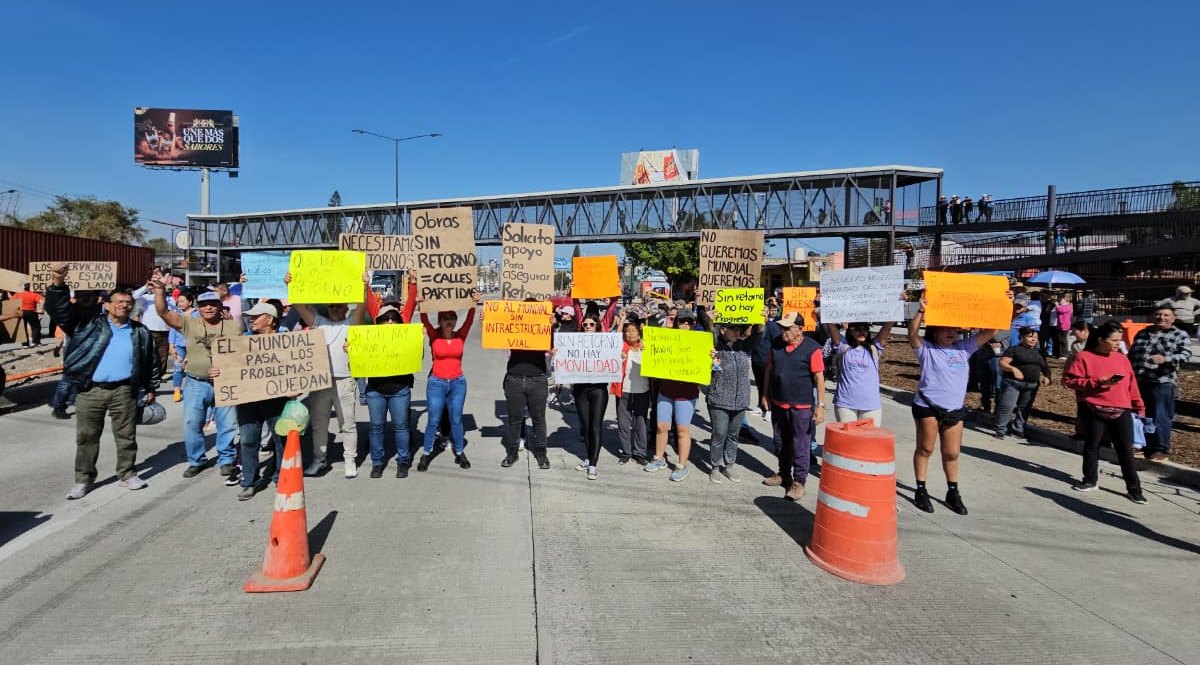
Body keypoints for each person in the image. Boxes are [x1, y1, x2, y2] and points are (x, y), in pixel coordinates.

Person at [63, 288, 160, 500]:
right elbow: (61, 312)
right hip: (91, 390)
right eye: (119, 301)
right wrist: (58, 283)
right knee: (87, 437)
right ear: (106, 304)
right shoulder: (89, 326)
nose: (125, 305)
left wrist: (151, 387)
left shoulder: (140, 331)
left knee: (126, 435)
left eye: (128, 302)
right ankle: (83, 479)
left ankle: (127, 474)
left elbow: (151, 361)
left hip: (125, 390)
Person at [907, 296, 998, 515]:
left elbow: (991, 331)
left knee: (952, 452)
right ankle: (921, 489)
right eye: (945, 329)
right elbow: (912, 334)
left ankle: (953, 491)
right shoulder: (926, 349)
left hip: (954, 409)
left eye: (954, 329)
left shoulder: (964, 348)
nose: (951, 333)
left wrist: (999, 305)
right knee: (926, 448)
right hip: (927, 406)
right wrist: (921, 311)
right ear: (935, 332)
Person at [153, 273, 241, 480]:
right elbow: (163, 312)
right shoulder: (189, 324)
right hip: (195, 382)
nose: (208, 307)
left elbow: (241, 355)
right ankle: (196, 460)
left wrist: (226, 370)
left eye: (212, 304)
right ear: (198, 309)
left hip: (225, 383)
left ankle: (226, 460)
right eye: (204, 305)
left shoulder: (233, 326)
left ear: (220, 306)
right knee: (192, 423)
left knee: (227, 424)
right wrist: (159, 290)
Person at [283, 271, 370, 478]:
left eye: (339, 305)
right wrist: (291, 286)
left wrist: (364, 287)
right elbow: (300, 307)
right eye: (332, 306)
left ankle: (350, 459)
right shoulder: (319, 322)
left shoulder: (351, 324)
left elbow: (362, 307)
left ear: (345, 308)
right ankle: (319, 460)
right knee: (319, 424)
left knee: (347, 423)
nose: (335, 309)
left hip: (345, 381)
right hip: (320, 382)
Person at [208, 302, 290, 500]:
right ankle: (249, 482)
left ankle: (282, 477)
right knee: (248, 441)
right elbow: (228, 366)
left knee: (281, 441)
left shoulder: (287, 341)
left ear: (270, 319)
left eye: (256, 316)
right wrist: (218, 372)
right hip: (248, 401)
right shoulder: (241, 342)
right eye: (250, 316)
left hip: (276, 400)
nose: (251, 319)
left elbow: (298, 368)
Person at [1063, 322, 1147, 503]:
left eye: (1120, 340)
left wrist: (1138, 405)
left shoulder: (1122, 358)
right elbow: (1070, 381)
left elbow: (1131, 384)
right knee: (1092, 445)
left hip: (1121, 409)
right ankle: (1090, 480)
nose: (1118, 343)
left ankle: (1134, 489)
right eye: (1114, 340)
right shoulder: (1084, 357)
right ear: (1101, 340)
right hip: (1093, 407)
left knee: (1125, 449)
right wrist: (1096, 382)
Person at [759, 311, 825, 501]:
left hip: (801, 407)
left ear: (800, 329)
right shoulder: (777, 344)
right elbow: (769, 370)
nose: (783, 331)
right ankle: (783, 474)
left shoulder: (812, 349)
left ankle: (799, 482)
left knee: (800, 445)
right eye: (782, 328)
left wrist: (820, 406)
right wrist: (764, 394)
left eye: (788, 328)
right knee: (780, 442)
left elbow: (819, 378)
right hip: (779, 403)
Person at [418, 291, 482, 471]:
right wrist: (421, 304)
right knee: (433, 420)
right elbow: (424, 319)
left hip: (457, 383)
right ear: (439, 320)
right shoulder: (433, 335)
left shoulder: (460, 335)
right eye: (445, 318)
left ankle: (460, 452)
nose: (449, 321)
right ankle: (426, 453)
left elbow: (470, 320)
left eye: (452, 318)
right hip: (437, 383)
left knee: (456, 419)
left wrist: (473, 303)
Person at [363, 285, 419, 478]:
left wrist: (413, 283)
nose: (389, 321)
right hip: (375, 390)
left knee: (401, 426)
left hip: (400, 389)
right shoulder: (370, 336)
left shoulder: (405, 333)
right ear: (378, 321)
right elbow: (370, 304)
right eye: (385, 318)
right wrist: (352, 350)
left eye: (394, 318)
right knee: (376, 427)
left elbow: (410, 306)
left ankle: (403, 461)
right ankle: (377, 463)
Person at [644, 308, 702, 482]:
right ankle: (659, 458)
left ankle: (681, 465)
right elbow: (654, 350)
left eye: (688, 322)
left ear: (693, 324)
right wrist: (648, 348)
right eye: (682, 321)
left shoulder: (700, 341)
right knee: (662, 426)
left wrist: (711, 357)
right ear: (677, 322)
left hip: (687, 393)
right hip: (666, 390)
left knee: (683, 430)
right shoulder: (667, 339)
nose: (685, 324)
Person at [1129, 307, 1192, 463]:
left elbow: (1186, 355)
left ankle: (1160, 449)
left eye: (1166, 315)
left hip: (1161, 382)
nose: (1161, 317)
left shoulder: (1179, 334)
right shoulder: (1143, 333)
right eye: (1158, 314)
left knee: (1160, 416)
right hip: (1139, 380)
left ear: (1173, 318)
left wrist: (1165, 358)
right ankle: (1141, 445)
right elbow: (1132, 354)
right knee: (1140, 415)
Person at [501, 298, 553, 471]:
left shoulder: (544, 328)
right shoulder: (513, 327)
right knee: (514, 419)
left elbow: (550, 347)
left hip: (537, 379)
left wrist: (550, 325)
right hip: (514, 378)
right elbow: (496, 332)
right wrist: (486, 319)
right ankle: (512, 452)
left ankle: (541, 453)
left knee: (539, 419)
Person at [707, 322, 762, 483]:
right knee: (719, 434)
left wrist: (761, 323)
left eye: (739, 330)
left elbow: (758, 335)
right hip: (719, 399)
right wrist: (710, 321)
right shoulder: (716, 345)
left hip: (740, 399)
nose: (738, 333)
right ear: (723, 330)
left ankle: (729, 465)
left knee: (733, 435)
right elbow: (708, 333)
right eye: (734, 330)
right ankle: (715, 466)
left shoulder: (743, 347)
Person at [825, 320, 895, 424]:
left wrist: (895, 313)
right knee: (848, 439)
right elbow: (831, 327)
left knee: (869, 439)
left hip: (871, 405)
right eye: (857, 329)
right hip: (846, 404)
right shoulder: (843, 347)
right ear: (850, 330)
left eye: (865, 329)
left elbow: (887, 328)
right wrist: (825, 312)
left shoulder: (874, 347)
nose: (862, 332)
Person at [571, 312, 611, 479]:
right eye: (585, 325)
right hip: (580, 389)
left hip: (598, 390)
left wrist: (620, 356)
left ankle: (593, 464)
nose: (587, 327)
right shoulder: (574, 342)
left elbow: (613, 359)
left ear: (597, 326)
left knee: (595, 426)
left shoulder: (606, 342)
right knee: (586, 427)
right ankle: (588, 457)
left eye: (591, 325)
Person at [994, 327, 1050, 439]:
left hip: (1031, 385)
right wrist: (1013, 369)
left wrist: (1047, 377)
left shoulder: (1039, 353)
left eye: (1035, 337)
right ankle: (1001, 430)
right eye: (1030, 337)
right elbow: (1003, 363)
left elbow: (1045, 367)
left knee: (1024, 408)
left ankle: (1018, 429)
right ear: (1021, 338)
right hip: (1013, 383)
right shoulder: (1014, 349)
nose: (1033, 340)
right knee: (1007, 406)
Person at [612, 316, 650, 465]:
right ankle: (626, 452)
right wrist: (621, 321)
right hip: (624, 390)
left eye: (633, 331)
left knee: (640, 422)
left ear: (639, 334)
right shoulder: (622, 348)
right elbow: (615, 337)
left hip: (642, 391)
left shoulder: (646, 347)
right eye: (627, 331)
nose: (630, 334)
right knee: (623, 422)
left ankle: (640, 452)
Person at [132, 272, 172, 378]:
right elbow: (132, 296)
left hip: (165, 332)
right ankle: (148, 376)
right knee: (148, 355)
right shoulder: (146, 298)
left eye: (159, 279)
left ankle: (158, 376)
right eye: (155, 279)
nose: (156, 282)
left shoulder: (169, 299)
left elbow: (174, 311)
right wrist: (146, 287)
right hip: (149, 331)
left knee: (163, 357)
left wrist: (162, 288)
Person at [167, 291, 196, 402]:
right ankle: (177, 391)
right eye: (178, 301)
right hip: (179, 345)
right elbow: (172, 330)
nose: (180, 304)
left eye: (182, 301)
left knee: (191, 369)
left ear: (190, 301)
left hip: (193, 345)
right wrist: (171, 346)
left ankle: (191, 391)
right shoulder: (176, 313)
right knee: (177, 367)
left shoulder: (196, 314)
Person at [1052, 294, 1074, 358]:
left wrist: (1057, 305)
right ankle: (1060, 353)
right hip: (1060, 325)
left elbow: (1061, 310)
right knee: (1060, 340)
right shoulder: (1061, 306)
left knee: (1063, 340)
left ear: (1065, 300)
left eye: (1060, 299)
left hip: (1065, 325)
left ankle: (1065, 354)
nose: (1059, 301)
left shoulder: (1068, 306)